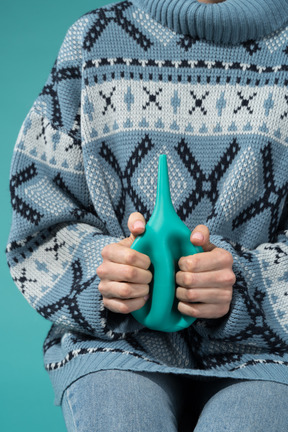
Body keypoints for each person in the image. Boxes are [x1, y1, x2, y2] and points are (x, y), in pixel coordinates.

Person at [6, 0, 288, 430]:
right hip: (115, 347)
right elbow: (37, 224)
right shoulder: (91, 42)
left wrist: (248, 288)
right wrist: (102, 274)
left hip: (271, 352)